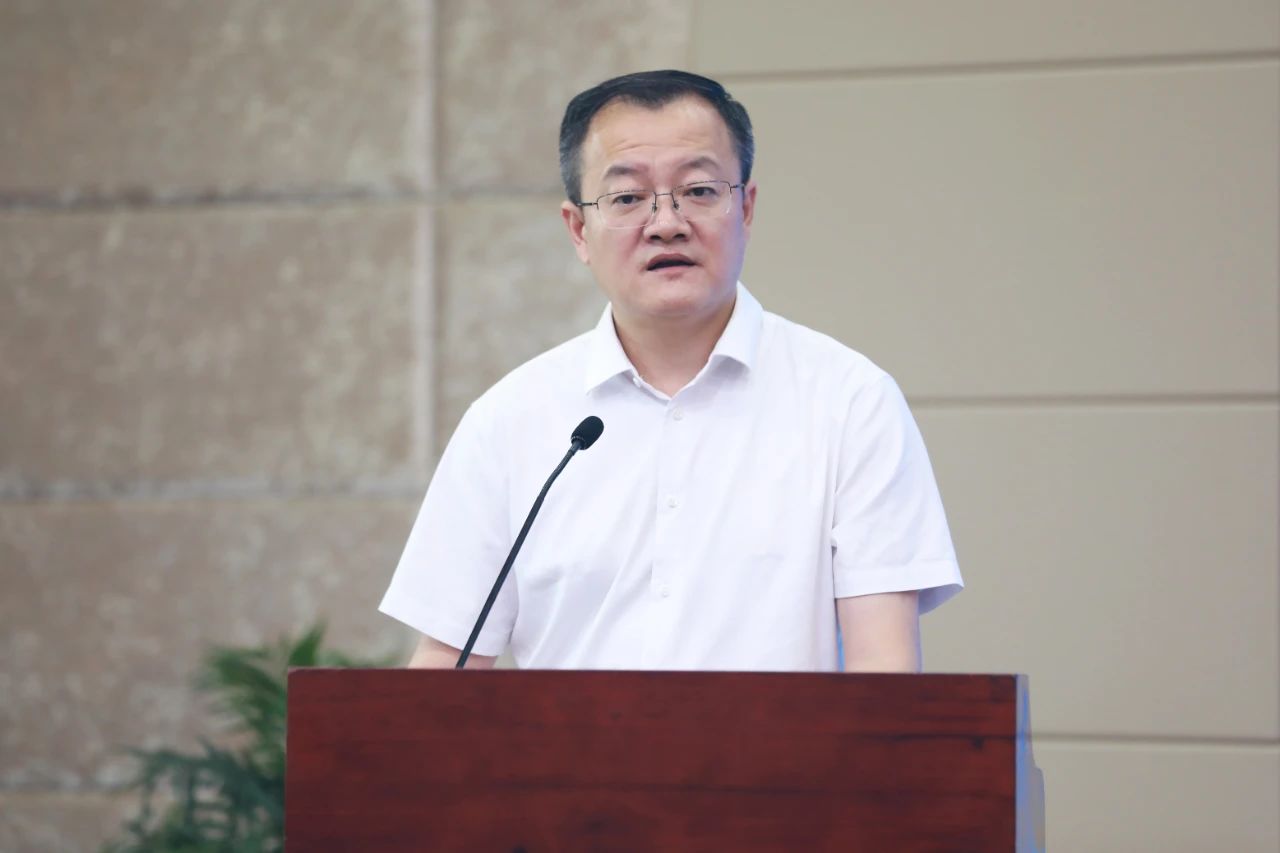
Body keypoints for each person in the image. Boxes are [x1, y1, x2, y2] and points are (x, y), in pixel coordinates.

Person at [379, 70, 962, 671]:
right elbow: (446, 667)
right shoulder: (509, 420)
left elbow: (884, 671)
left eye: (700, 190)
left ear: (746, 208)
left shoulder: (849, 402)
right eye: (627, 198)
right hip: (566, 742)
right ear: (578, 230)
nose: (666, 223)